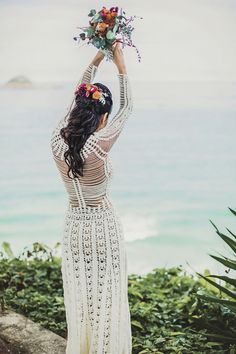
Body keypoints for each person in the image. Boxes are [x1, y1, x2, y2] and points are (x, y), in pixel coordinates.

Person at [50, 42, 133, 354]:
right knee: (108, 295)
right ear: (103, 116)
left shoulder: (56, 140)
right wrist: (121, 65)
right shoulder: (98, 146)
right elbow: (126, 109)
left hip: (74, 227)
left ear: (77, 111)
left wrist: (97, 57)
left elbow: (76, 99)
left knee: (82, 296)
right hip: (103, 227)